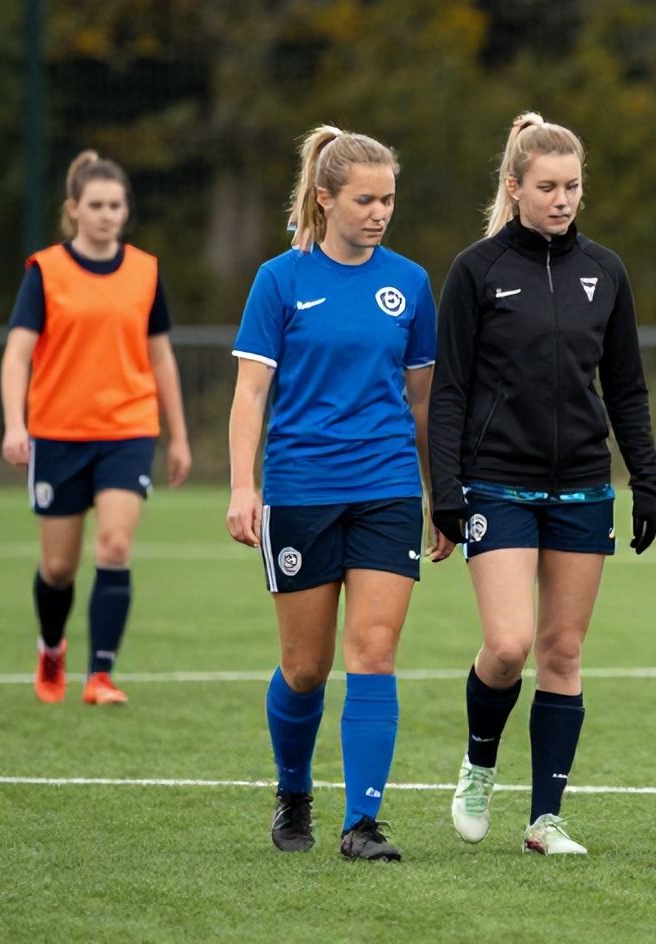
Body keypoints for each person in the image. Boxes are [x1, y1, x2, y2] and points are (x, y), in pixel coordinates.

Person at [430, 112, 656, 857]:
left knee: (562, 651)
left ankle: (546, 819)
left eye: (573, 187)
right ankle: (478, 764)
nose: (563, 200)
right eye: (548, 187)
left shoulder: (607, 271)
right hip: (498, 485)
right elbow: (451, 392)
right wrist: (446, 490)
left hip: (585, 488)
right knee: (508, 645)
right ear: (515, 187)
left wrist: (646, 480)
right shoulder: (477, 271)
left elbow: (625, 388)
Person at [226, 126, 440, 862]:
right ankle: (293, 792)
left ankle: (364, 824)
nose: (380, 212)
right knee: (306, 669)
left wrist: (438, 494)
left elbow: (421, 404)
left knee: (374, 652)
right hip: (302, 490)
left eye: (388, 199)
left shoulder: (409, 283)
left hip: (385, 488)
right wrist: (241, 486)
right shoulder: (279, 281)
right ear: (324, 198)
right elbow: (250, 396)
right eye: (365, 199)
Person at [1, 149, 192, 707]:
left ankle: (100, 675)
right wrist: (16, 425)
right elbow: (17, 356)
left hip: (127, 430)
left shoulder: (145, 271)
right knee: (58, 566)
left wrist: (177, 435)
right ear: (74, 210)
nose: (108, 214)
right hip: (58, 433)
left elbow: (161, 360)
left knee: (113, 545)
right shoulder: (46, 272)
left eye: (117, 205)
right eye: (97, 205)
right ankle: (52, 647)